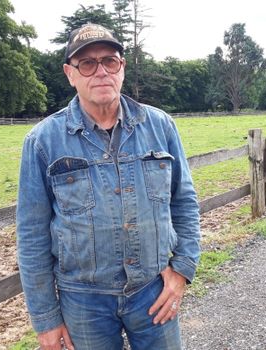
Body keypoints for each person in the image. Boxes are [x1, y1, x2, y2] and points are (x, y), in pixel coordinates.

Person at [16, 23, 201, 350]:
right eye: (87, 63)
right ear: (70, 74)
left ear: (122, 68)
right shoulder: (43, 141)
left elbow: (184, 202)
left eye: (110, 61)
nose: (100, 71)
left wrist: (182, 269)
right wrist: (46, 319)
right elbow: (32, 235)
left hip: (154, 288)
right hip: (83, 301)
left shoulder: (160, 127)